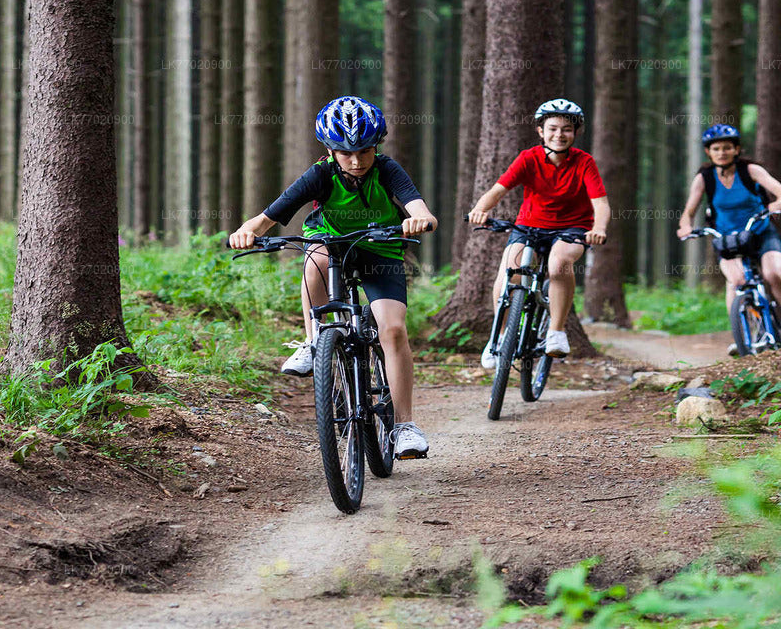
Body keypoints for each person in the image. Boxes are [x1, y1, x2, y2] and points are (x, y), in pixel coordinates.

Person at [228, 96, 438, 460]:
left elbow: (420, 209)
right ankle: (314, 343)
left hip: (379, 250)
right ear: (330, 151)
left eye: (364, 151)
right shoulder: (320, 173)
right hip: (331, 244)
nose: (356, 161)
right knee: (315, 258)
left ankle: (404, 426)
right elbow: (269, 216)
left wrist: (419, 219)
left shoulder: (388, 170)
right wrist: (246, 231)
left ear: (377, 146)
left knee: (392, 330)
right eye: (345, 153)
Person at [466, 99, 608, 367]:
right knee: (510, 271)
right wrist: (479, 210)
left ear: (576, 132)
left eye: (567, 129)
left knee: (558, 266)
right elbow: (498, 189)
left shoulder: (584, 162)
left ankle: (556, 332)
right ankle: (500, 337)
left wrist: (598, 229)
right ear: (541, 131)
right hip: (529, 226)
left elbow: (600, 203)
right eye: (552, 128)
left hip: (573, 227)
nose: (559, 135)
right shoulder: (528, 158)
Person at [675, 123, 781, 350]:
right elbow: (688, 211)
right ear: (708, 152)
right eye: (717, 148)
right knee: (737, 282)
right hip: (728, 240)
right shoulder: (705, 178)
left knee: (774, 273)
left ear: (737, 149)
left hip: (760, 233)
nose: (722, 152)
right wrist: (685, 226)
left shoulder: (750, 170)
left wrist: (779, 202)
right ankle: (743, 335)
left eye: (727, 148)